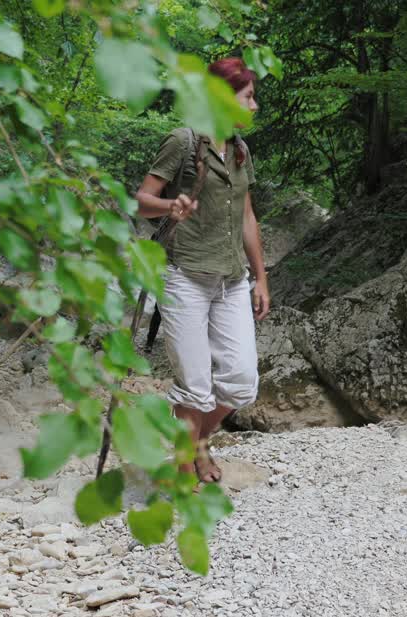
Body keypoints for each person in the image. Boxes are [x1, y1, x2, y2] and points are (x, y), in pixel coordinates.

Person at [133, 57, 269, 483]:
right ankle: (184, 468)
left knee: (242, 381)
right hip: (185, 276)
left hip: (231, 280)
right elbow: (141, 201)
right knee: (194, 386)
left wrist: (261, 276)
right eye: (248, 97)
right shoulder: (183, 142)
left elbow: (247, 216)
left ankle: (196, 443)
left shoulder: (241, 151)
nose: (254, 106)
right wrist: (170, 205)